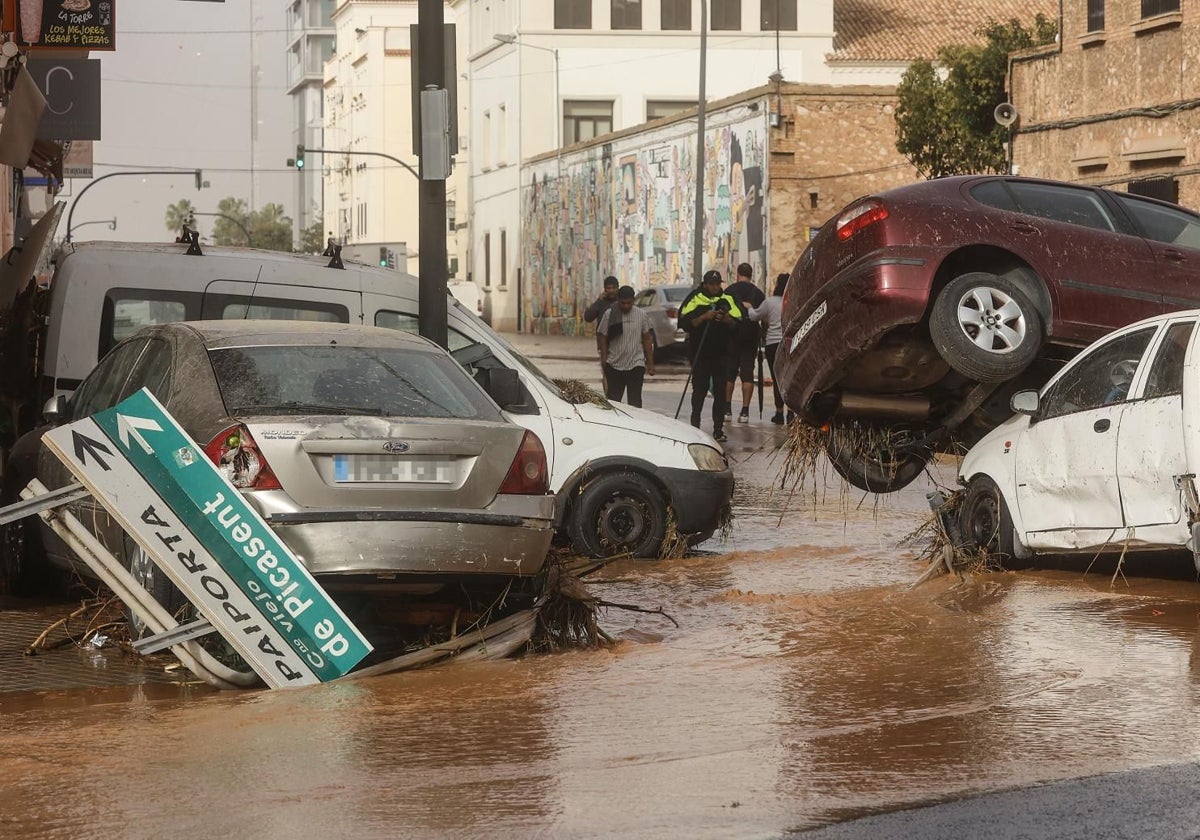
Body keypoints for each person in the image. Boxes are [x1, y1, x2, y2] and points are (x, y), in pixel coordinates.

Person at [678, 269, 743, 442]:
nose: (715, 287)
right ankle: (695, 424)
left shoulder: (728, 299)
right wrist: (704, 317)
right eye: (711, 284)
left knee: (720, 393)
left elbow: (740, 323)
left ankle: (718, 429)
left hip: (722, 354)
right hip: (700, 353)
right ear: (705, 284)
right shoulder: (695, 298)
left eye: (717, 284)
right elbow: (684, 322)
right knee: (699, 390)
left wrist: (727, 319)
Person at [597, 285, 655, 407]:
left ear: (633, 301)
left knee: (635, 403)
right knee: (613, 403)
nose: (626, 306)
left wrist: (650, 363)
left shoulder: (641, 315)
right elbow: (602, 336)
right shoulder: (610, 314)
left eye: (629, 303)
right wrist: (604, 359)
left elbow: (647, 338)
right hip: (614, 365)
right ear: (618, 300)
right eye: (623, 303)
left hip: (635, 364)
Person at [723, 262, 766, 423]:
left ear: (737, 273)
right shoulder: (758, 294)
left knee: (730, 373)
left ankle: (727, 409)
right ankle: (745, 411)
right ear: (751, 274)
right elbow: (764, 317)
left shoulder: (729, 291)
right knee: (747, 373)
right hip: (751, 336)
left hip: (731, 336)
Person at [748, 273, 788, 424]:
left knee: (777, 379)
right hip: (790, 344)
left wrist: (748, 307)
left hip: (772, 344)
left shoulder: (770, 302)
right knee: (788, 378)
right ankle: (791, 413)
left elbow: (754, 316)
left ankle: (779, 413)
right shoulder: (792, 301)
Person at [584, 275, 620, 391]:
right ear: (605, 289)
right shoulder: (601, 303)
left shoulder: (622, 302)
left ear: (617, 288)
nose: (611, 290)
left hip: (620, 342)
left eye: (614, 288)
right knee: (606, 371)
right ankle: (609, 398)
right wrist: (598, 301)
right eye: (609, 288)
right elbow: (588, 317)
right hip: (604, 343)